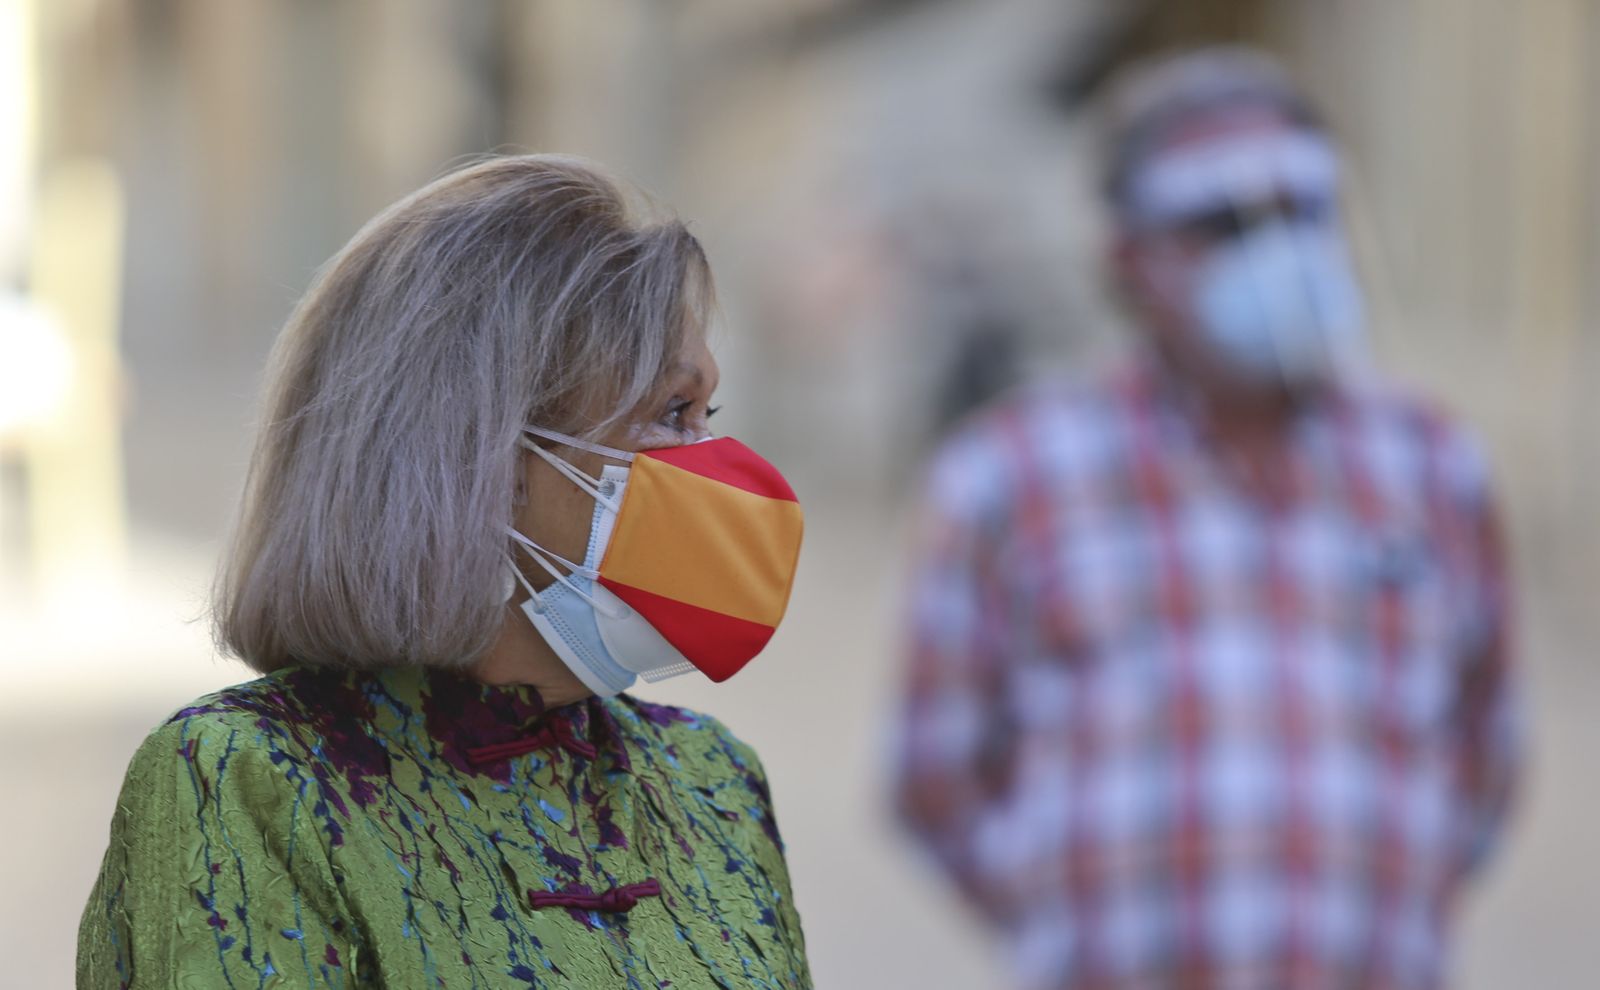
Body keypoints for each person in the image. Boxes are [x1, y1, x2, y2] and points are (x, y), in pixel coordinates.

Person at [78, 155, 811, 988]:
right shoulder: (251, 784)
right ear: (484, 459)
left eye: (707, 413)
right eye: (670, 414)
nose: (719, 467)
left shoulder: (714, 782)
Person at [892, 48, 1520, 990]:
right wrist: (1076, 911)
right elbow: (936, 776)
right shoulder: (1010, 476)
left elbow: (1485, 748)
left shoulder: (1432, 466)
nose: (1281, 251)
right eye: (1223, 226)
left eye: (1305, 213)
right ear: (1129, 261)